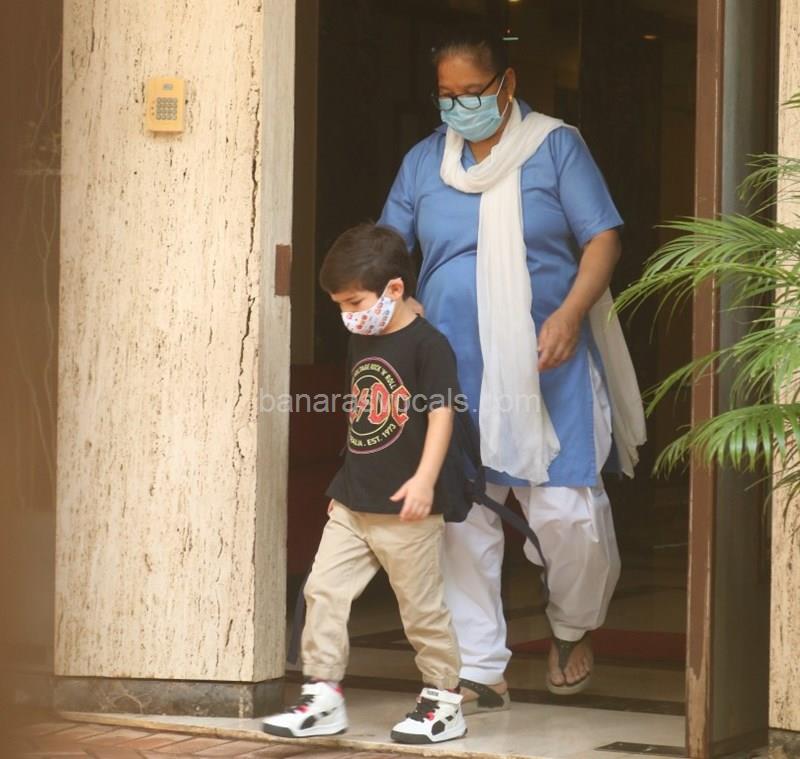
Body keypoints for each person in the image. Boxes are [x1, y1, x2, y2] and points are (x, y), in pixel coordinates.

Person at [378, 28, 644, 710]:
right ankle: (479, 665)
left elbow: (603, 238)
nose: (459, 106)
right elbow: (389, 252)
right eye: (447, 95)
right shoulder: (423, 163)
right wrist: (388, 309)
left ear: (508, 84)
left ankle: (572, 625)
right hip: (450, 368)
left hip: (545, 361)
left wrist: (569, 314)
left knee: (567, 511)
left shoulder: (555, 147)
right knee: (461, 518)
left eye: (473, 92)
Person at [262, 223, 467, 744]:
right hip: (354, 501)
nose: (348, 314)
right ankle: (323, 696)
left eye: (354, 302)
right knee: (323, 591)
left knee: (420, 610)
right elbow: (360, 417)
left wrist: (424, 481)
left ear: (394, 289)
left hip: (408, 508)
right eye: (340, 305)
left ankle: (444, 700)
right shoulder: (361, 338)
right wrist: (344, 486)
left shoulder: (430, 345)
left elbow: (442, 415)